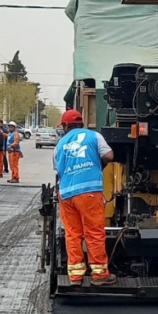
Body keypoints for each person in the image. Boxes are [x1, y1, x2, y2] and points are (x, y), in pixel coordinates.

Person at [53, 109, 117, 286]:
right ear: (81, 124)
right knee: (94, 232)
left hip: (66, 194)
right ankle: (99, 275)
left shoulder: (60, 144)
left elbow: (58, 170)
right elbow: (109, 156)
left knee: (72, 234)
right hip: (88, 191)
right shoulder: (94, 136)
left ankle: (75, 277)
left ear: (65, 126)